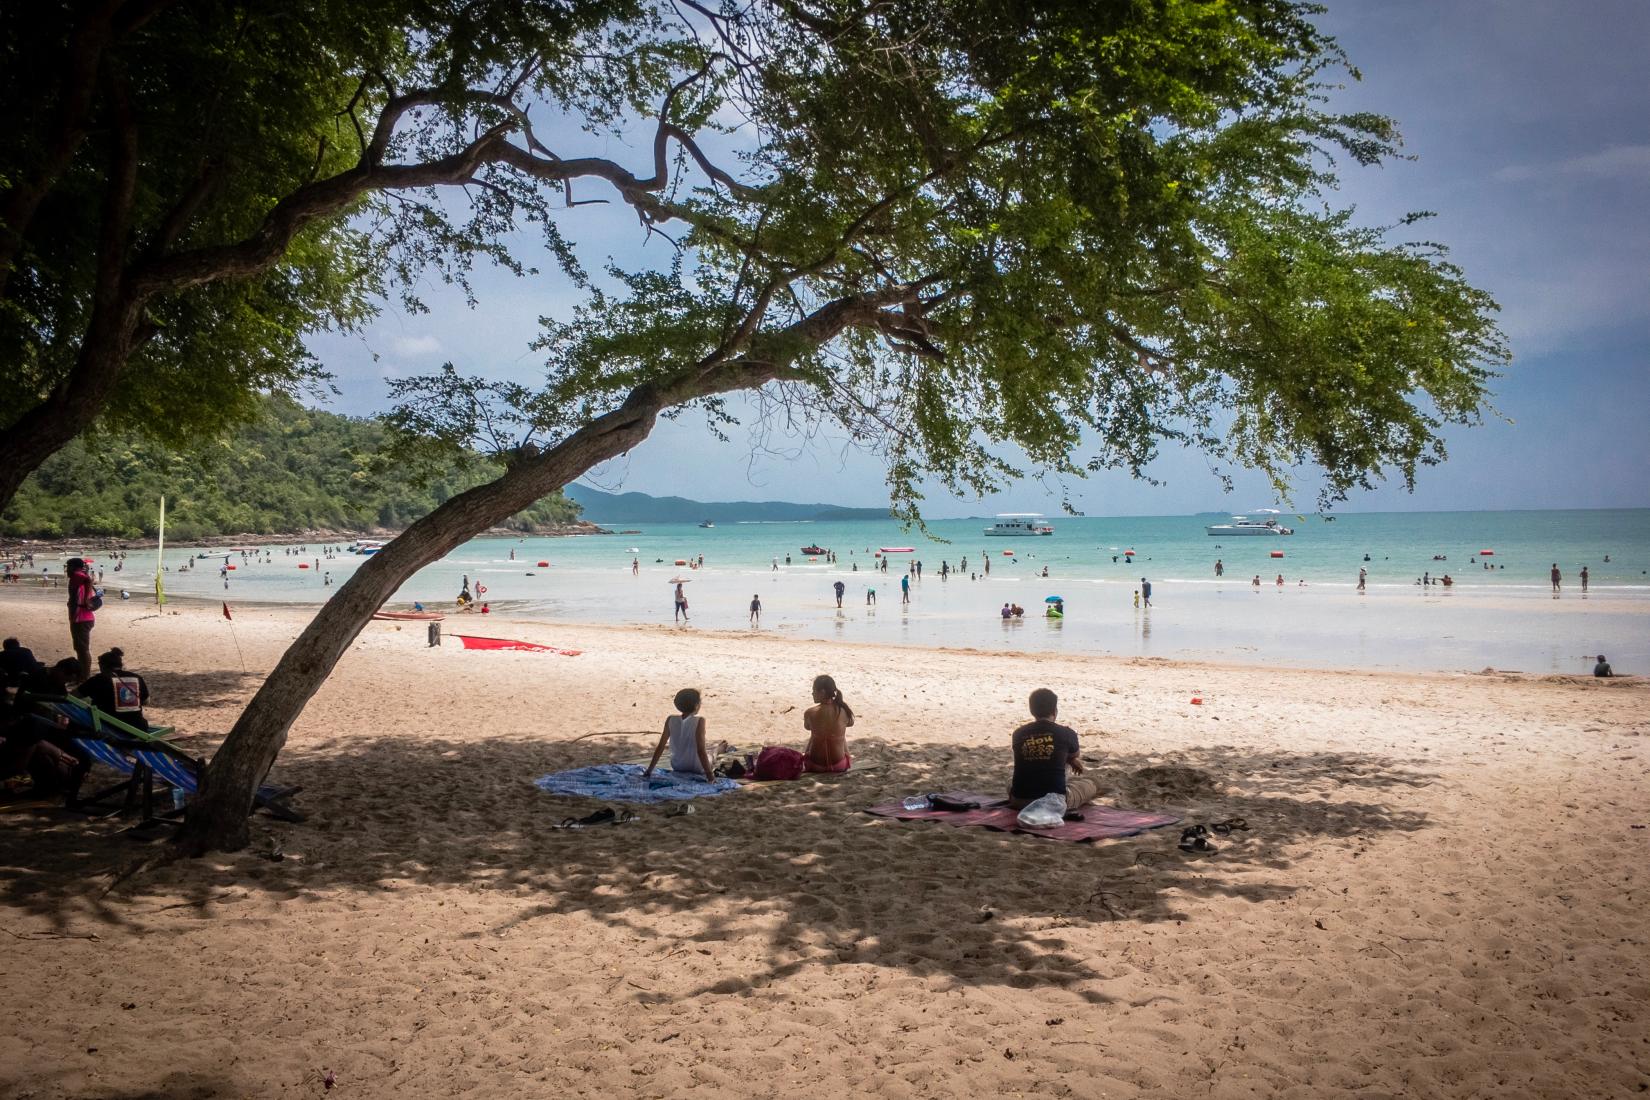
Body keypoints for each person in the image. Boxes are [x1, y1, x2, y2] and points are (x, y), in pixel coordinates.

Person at [1007, 688, 1101, 811]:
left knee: (1010, 781)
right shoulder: (1067, 733)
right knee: (1093, 782)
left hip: (1018, 801)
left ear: (1032, 711)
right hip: (1053, 803)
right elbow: (1075, 754)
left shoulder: (1018, 734)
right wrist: (1071, 760)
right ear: (1055, 711)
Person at [644, 688, 716, 781]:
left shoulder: (670, 719)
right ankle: (718, 749)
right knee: (712, 754)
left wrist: (649, 770)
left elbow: (661, 746)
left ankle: (717, 749)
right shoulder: (700, 721)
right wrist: (710, 775)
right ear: (697, 705)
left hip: (677, 766)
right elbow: (701, 750)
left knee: (709, 752)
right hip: (697, 767)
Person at [78, 648, 151, 731]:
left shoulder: (98, 679)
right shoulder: (137, 677)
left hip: (110, 728)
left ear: (102, 666)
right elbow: (146, 701)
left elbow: (73, 696)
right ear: (120, 664)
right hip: (138, 727)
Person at [802, 674, 853, 773]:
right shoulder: (843, 710)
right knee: (840, 734)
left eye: (814, 690)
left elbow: (807, 727)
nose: (812, 693)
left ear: (822, 692)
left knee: (815, 733)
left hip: (815, 766)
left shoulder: (810, 712)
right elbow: (850, 723)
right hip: (840, 765)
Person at [65, 557, 97, 677]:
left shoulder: (77, 575)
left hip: (81, 618)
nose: (67, 569)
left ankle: (84, 676)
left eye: (68, 566)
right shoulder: (78, 575)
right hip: (82, 617)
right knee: (80, 649)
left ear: (74, 567)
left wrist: (85, 601)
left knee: (83, 650)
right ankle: (82, 675)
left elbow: (88, 580)